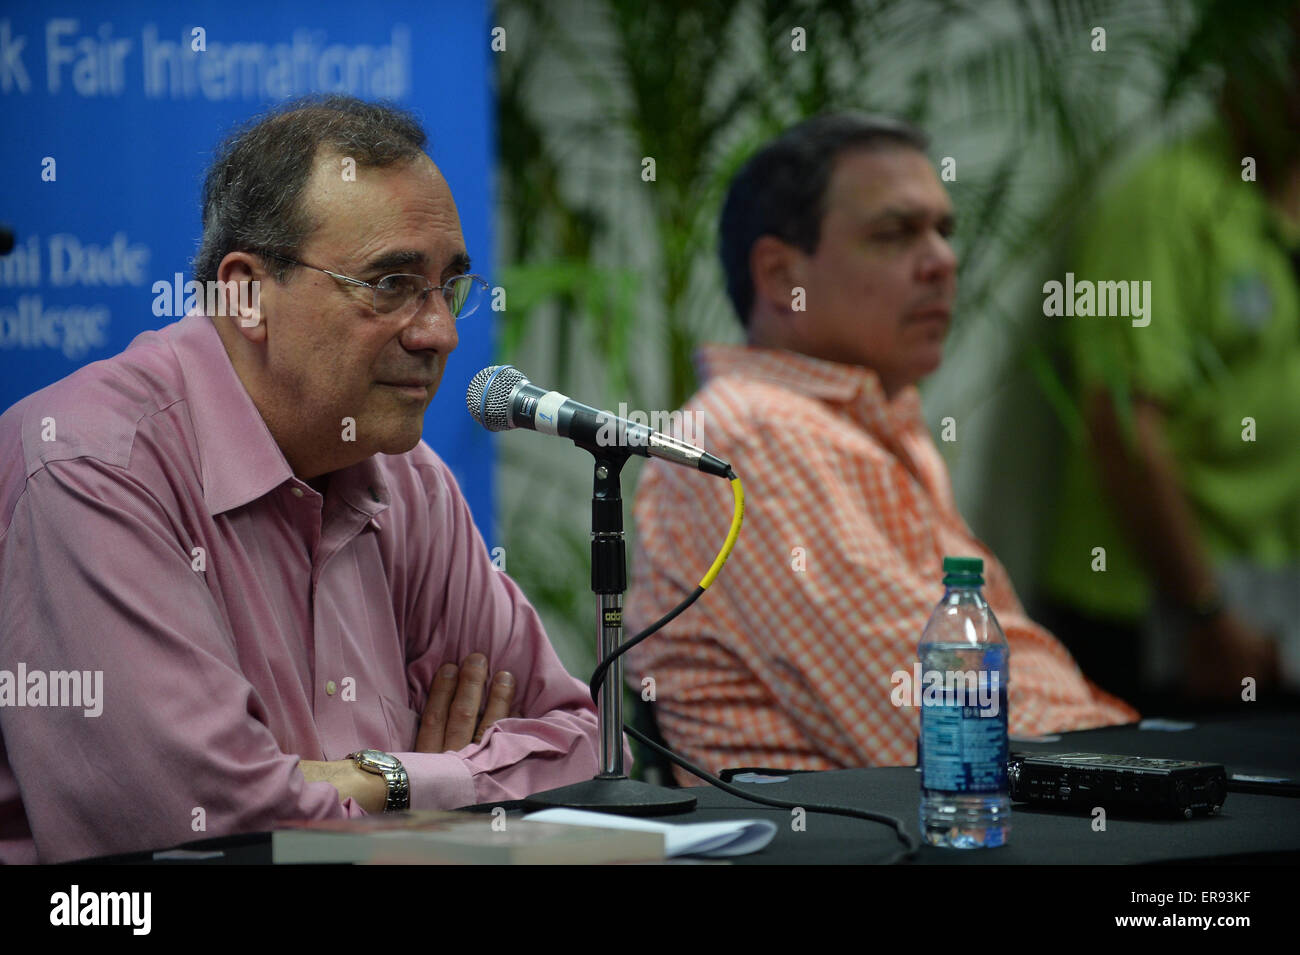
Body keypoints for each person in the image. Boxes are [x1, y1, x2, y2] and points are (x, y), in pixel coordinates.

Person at [0, 96, 608, 864]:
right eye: (390, 284)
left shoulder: (408, 479)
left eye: (448, 285)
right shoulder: (93, 467)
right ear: (247, 294)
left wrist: (380, 780)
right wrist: (440, 789)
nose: (440, 333)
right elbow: (216, 829)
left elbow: (578, 748)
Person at [624, 113, 1138, 781]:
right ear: (781, 276)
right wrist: (1144, 759)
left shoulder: (869, 425)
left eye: (944, 231)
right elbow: (943, 728)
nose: (944, 262)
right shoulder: (753, 431)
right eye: (896, 234)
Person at [1040, 26, 1300, 708]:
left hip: (1271, 583)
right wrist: (1205, 612)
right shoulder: (1166, 202)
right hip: (1163, 601)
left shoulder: (1283, 201)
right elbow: (1123, 427)